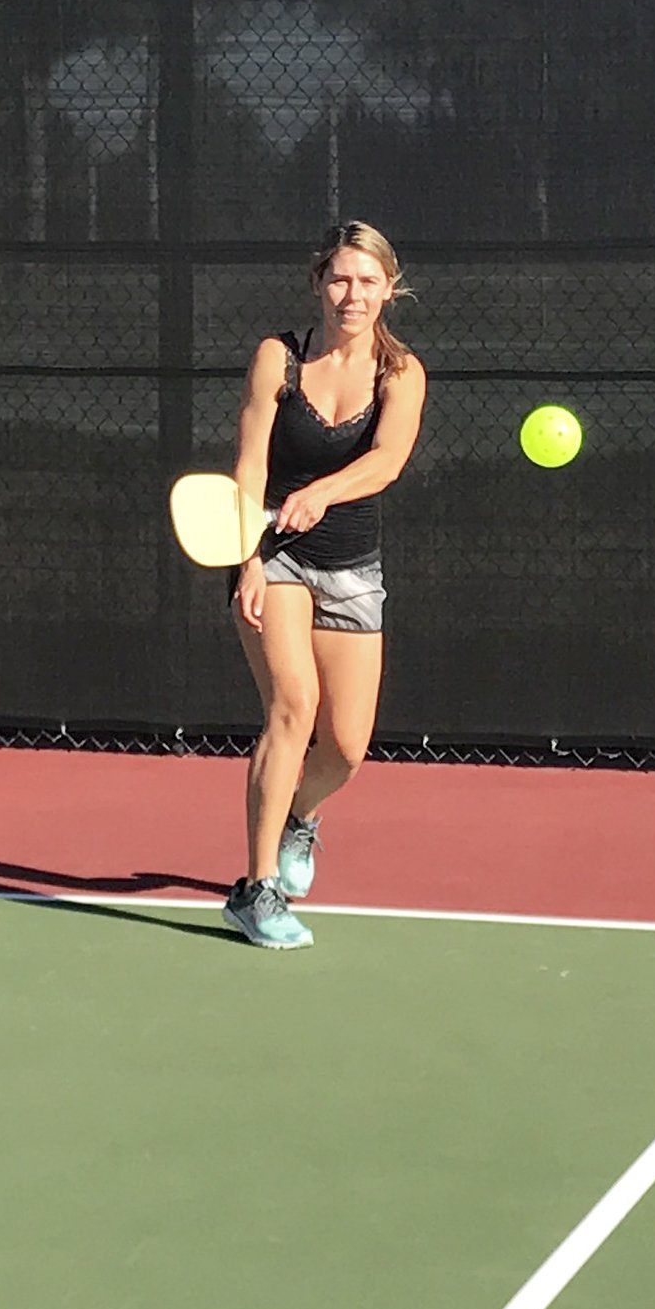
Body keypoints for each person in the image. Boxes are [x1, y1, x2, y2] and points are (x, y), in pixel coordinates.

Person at [221, 221, 427, 949]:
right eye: (340, 279)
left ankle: (300, 820)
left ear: (388, 290)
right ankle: (255, 889)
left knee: (344, 747)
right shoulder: (278, 358)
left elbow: (387, 462)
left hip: (350, 567)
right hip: (273, 553)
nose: (353, 294)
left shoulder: (400, 373)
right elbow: (249, 466)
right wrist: (245, 555)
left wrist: (327, 492)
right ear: (318, 283)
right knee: (293, 707)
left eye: (368, 282)